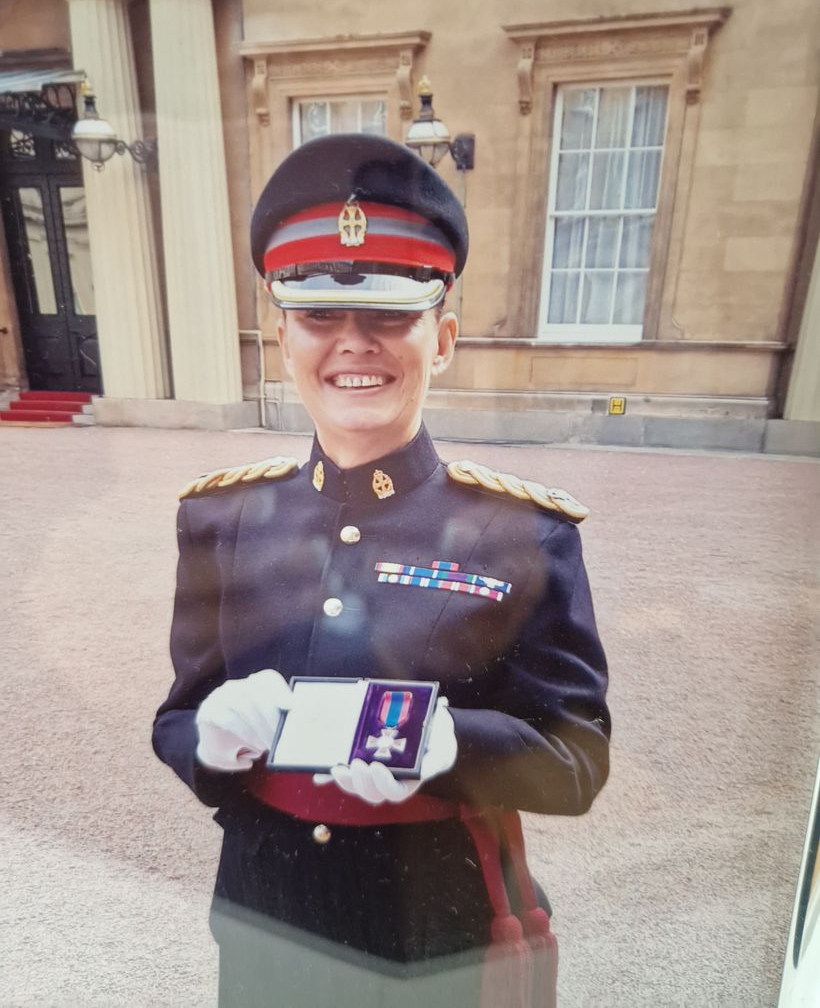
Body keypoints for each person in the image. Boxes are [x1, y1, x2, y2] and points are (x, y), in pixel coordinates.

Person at [152, 134, 611, 1007]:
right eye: (319, 316)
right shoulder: (221, 519)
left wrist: (453, 748)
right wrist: (209, 736)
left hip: (435, 928)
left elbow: (577, 757)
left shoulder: (521, 532)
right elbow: (177, 715)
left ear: (441, 337)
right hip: (266, 913)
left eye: (390, 316)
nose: (352, 345)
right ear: (280, 336)